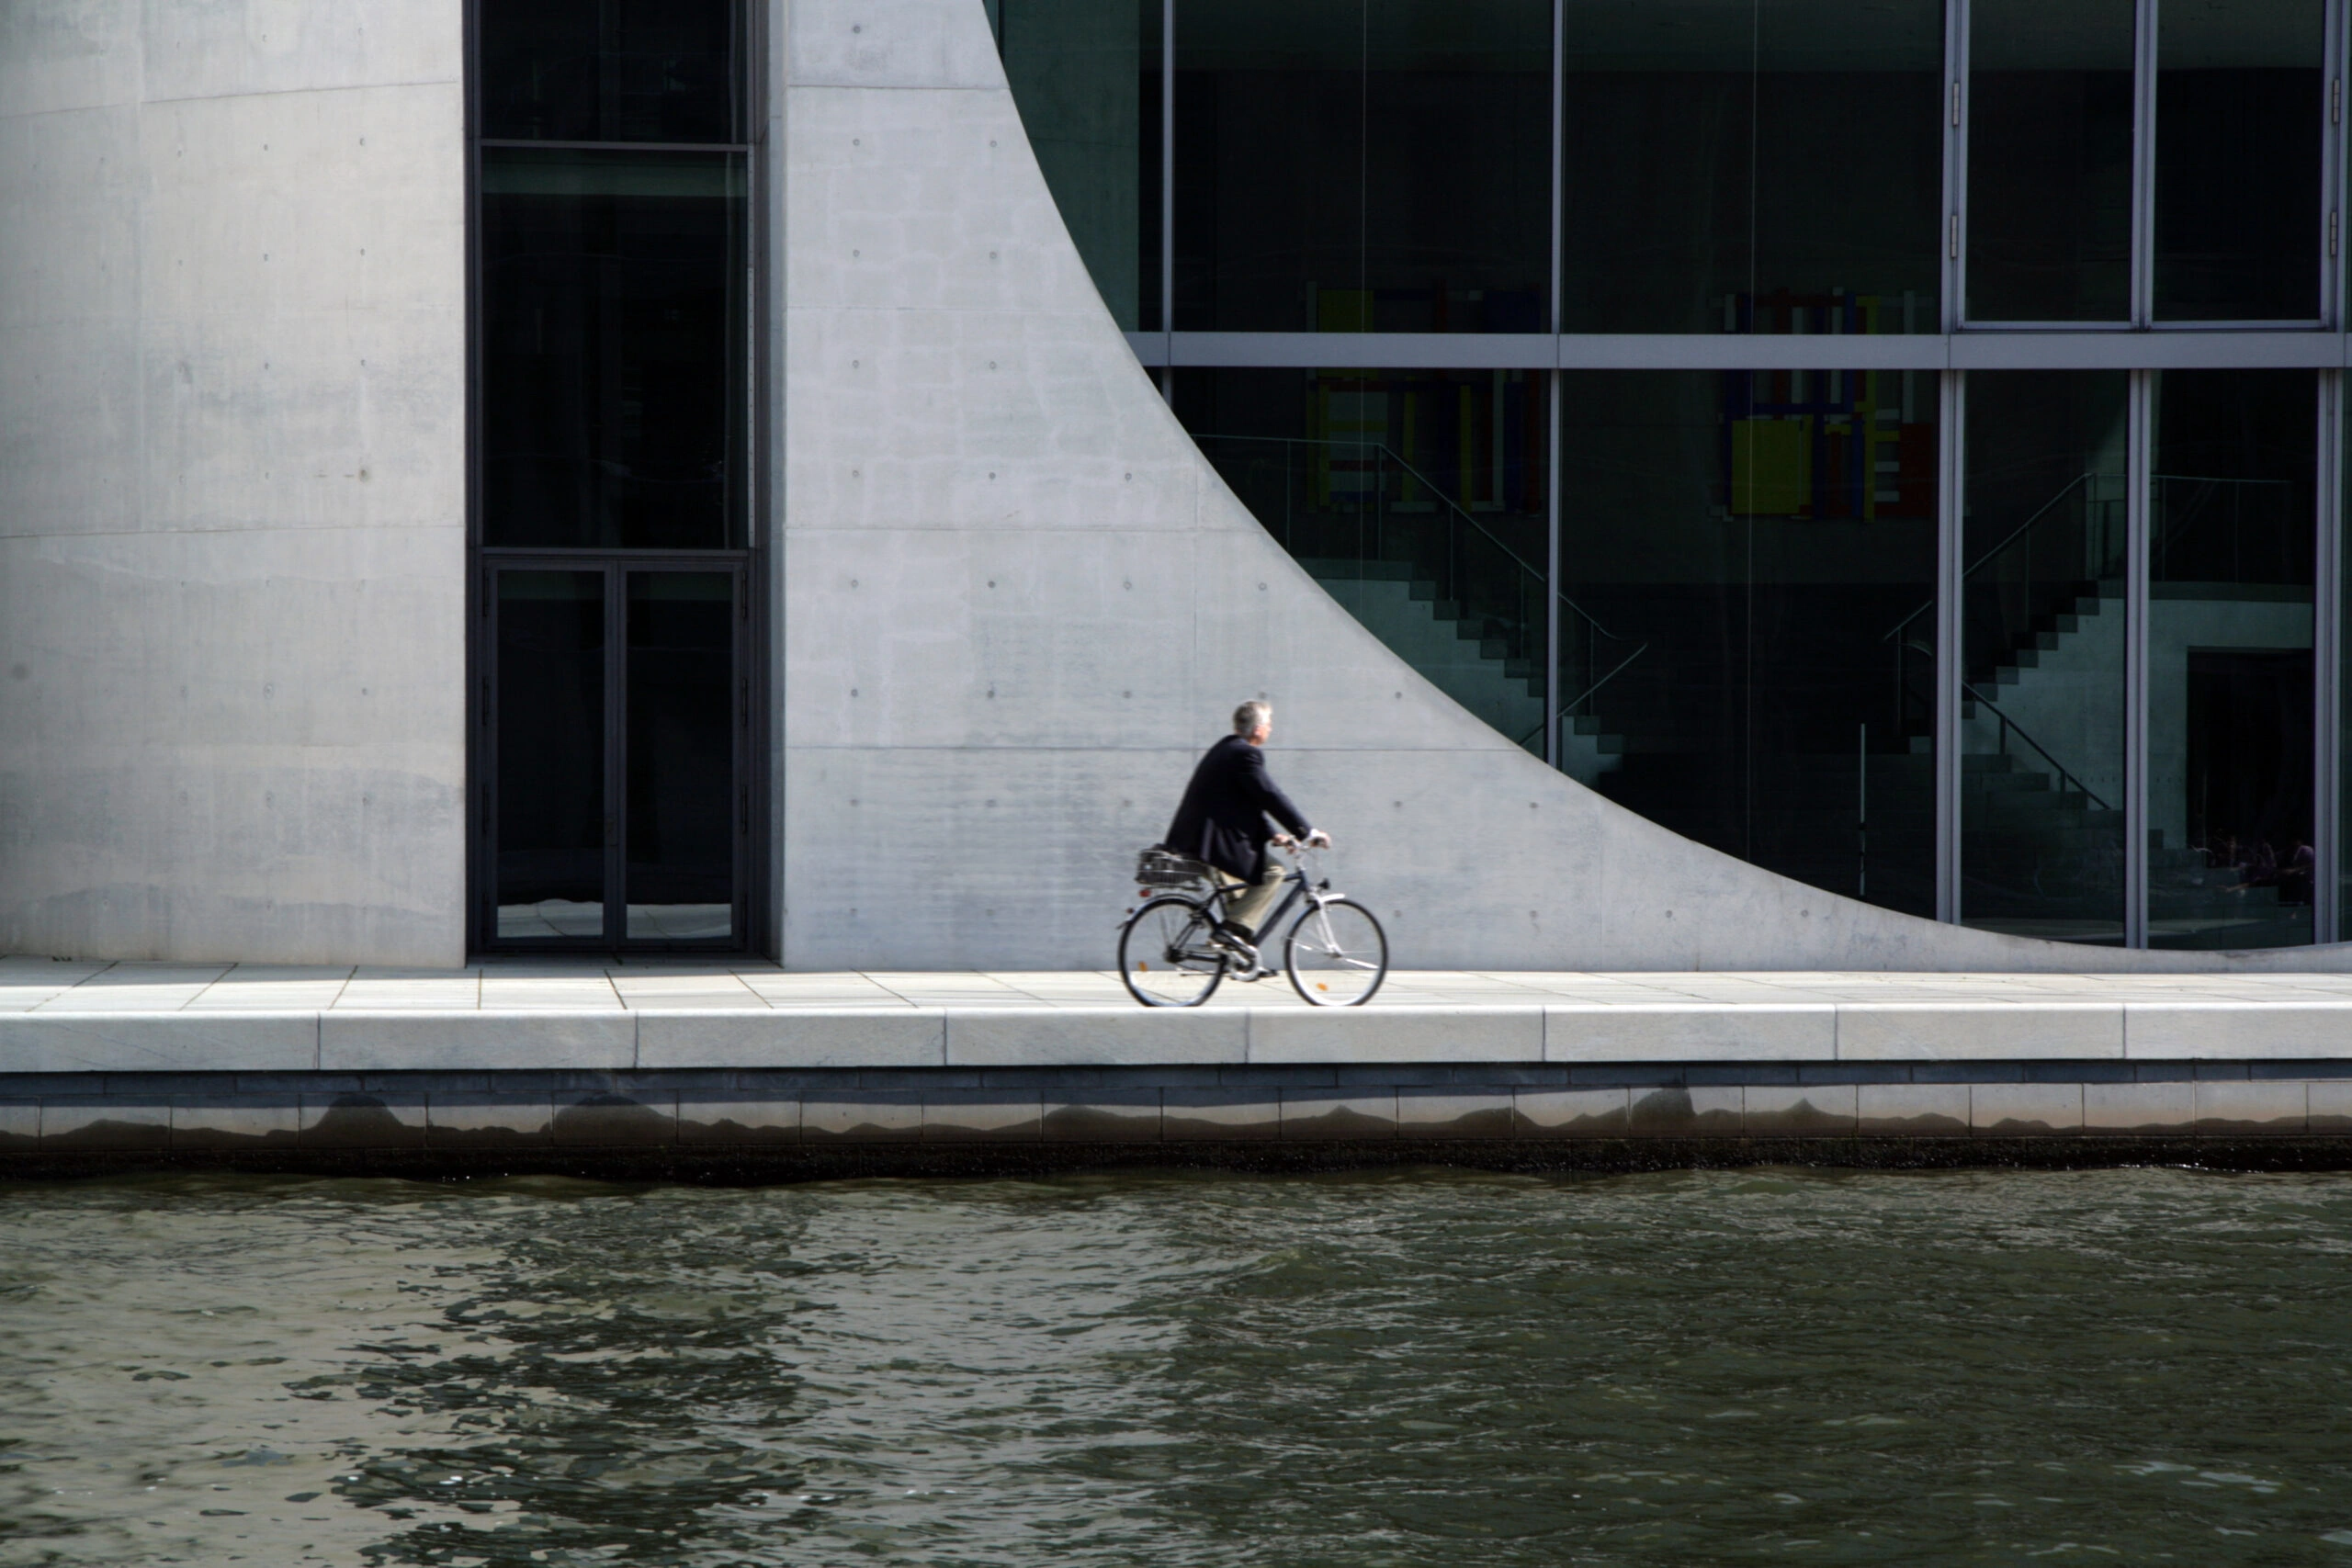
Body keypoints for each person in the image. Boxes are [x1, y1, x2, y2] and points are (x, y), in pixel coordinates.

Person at [1162, 700, 1331, 952]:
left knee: (1244, 901)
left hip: (1200, 838)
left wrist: (1274, 835)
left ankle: (1238, 953)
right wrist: (1308, 832)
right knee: (1273, 873)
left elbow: (1247, 801)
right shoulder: (1245, 754)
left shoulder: (1226, 748)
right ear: (1257, 729)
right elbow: (1270, 796)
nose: (1271, 728)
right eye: (1268, 724)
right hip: (1210, 844)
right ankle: (1228, 934)